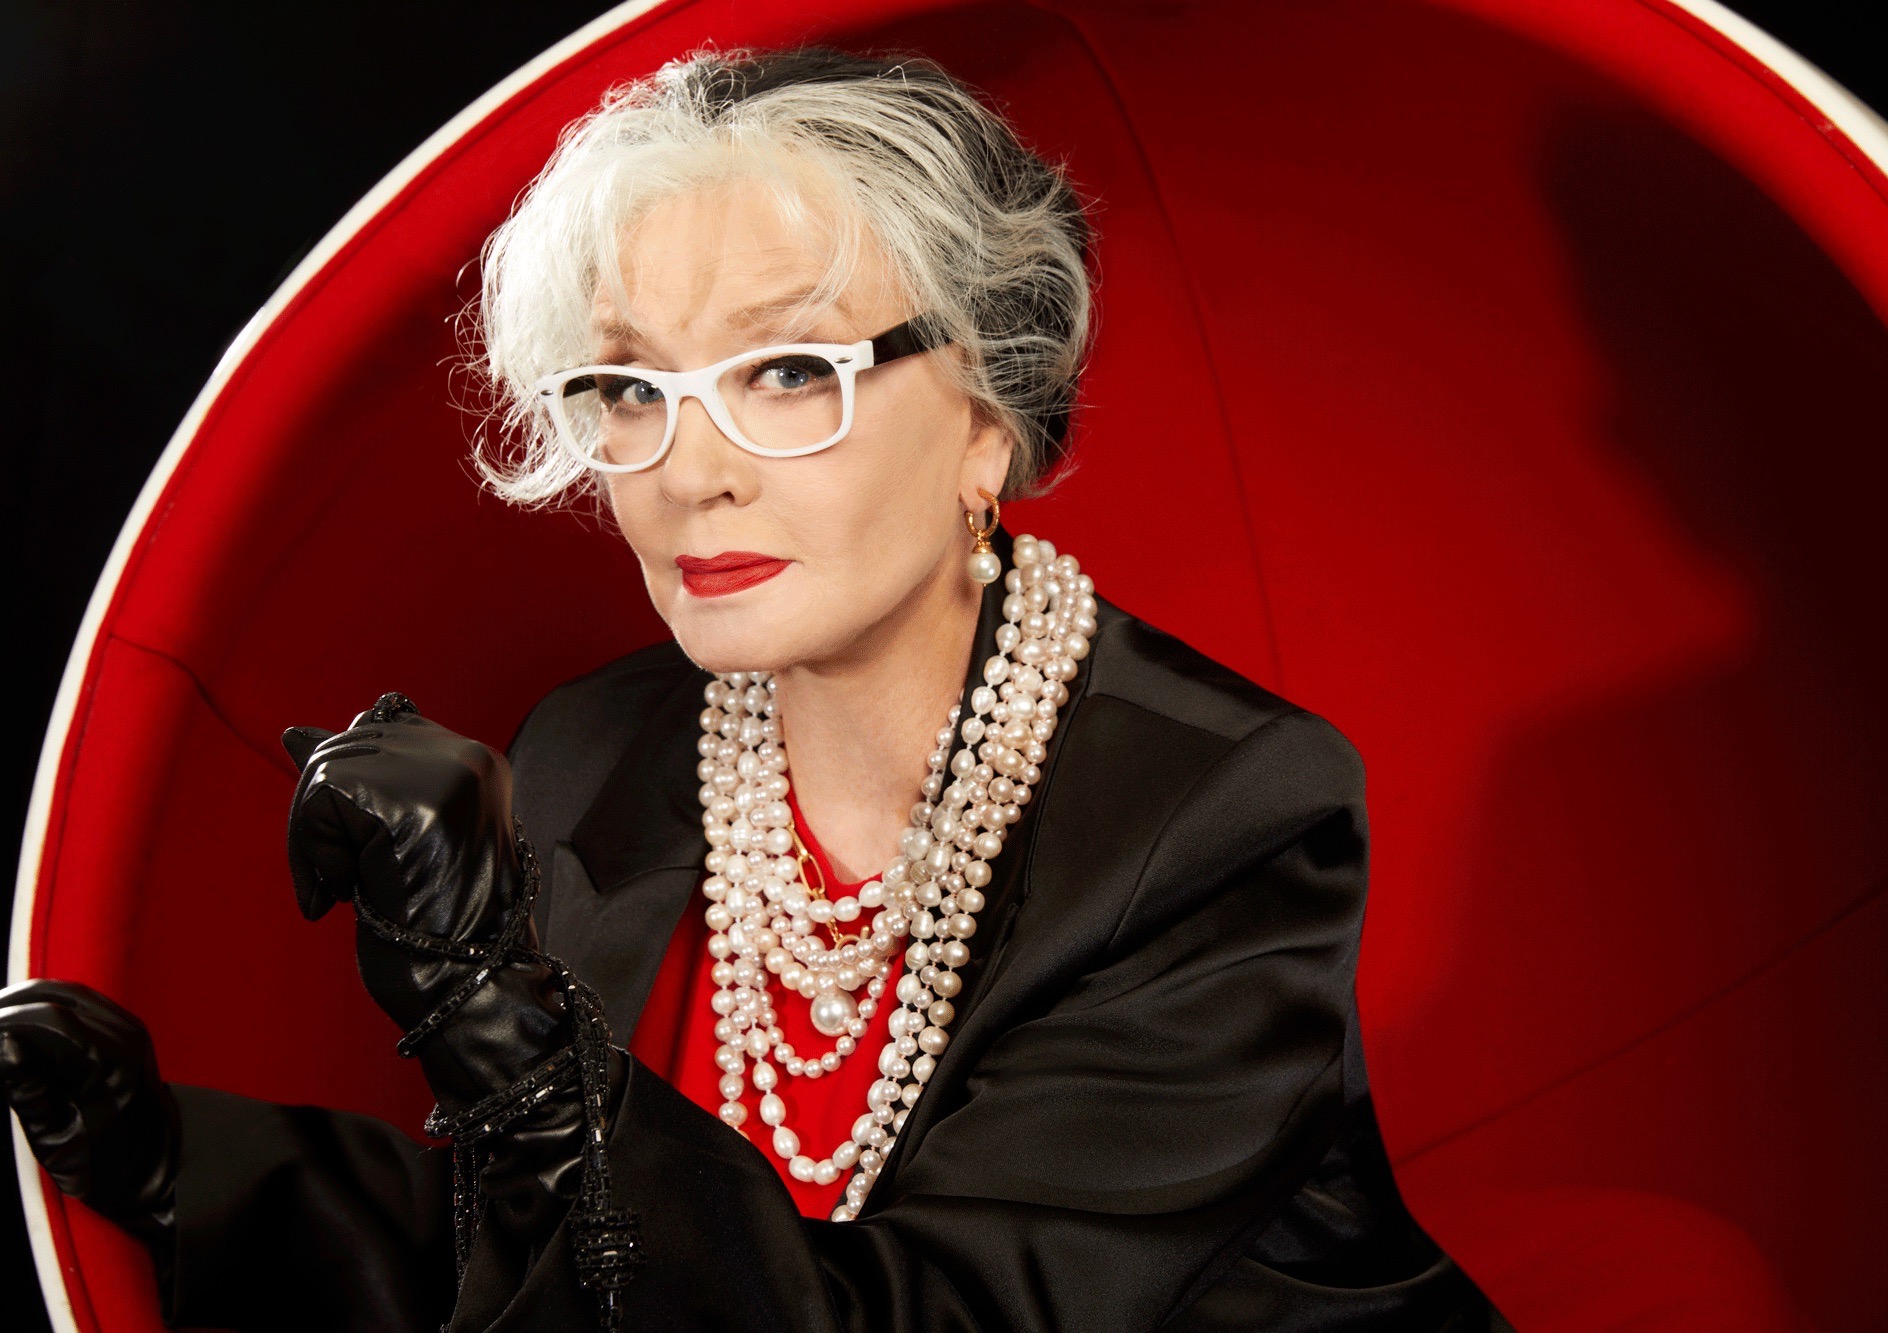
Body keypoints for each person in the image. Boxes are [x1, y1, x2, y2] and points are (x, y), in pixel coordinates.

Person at [0, 47, 1508, 1332]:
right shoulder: (593, 749)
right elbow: (575, 1264)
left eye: (788, 370)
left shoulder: (1225, 817)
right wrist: (173, 1163)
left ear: (990, 416)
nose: (690, 472)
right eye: (630, 389)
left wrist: (490, 1006)